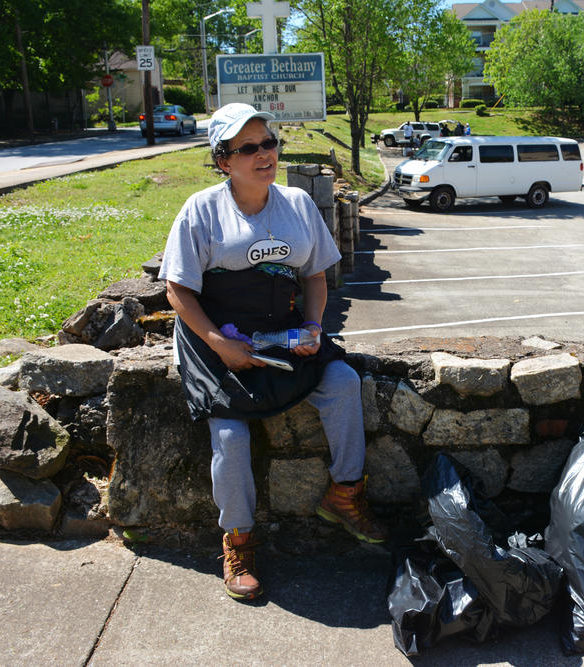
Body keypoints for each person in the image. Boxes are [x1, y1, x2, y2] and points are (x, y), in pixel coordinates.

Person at [158, 102, 387, 602]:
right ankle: (238, 539)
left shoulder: (298, 205)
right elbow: (178, 290)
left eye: (269, 143)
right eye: (249, 148)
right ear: (224, 160)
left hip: (283, 332)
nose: (265, 154)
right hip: (216, 339)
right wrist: (220, 344)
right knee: (231, 437)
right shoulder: (201, 210)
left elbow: (315, 275)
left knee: (344, 384)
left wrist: (311, 326)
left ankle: (344, 494)